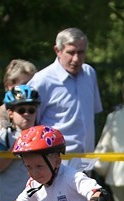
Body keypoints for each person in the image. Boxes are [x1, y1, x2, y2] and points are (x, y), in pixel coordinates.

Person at [28, 27, 102, 172]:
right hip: (56, 161)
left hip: (86, 160)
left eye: (81, 52)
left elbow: (91, 115)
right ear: (58, 50)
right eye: (71, 52)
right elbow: (28, 120)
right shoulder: (42, 80)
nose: (76, 58)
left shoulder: (89, 74)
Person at [0, 59, 37, 136]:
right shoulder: (1, 114)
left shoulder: (37, 108)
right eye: (24, 84)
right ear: (9, 85)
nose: (29, 88)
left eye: (32, 83)